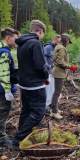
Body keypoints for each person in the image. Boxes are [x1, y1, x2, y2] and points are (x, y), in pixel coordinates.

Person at [12, 20, 49, 148]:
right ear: (39, 31)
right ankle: (19, 138)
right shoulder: (35, 43)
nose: (43, 36)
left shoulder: (21, 43)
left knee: (26, 110)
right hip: (35, 85)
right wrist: (46, 74)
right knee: (39, 112)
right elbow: (40, 66)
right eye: (43, 33)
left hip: (24, 83)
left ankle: (21, 135)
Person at [0, 28, 19, 148]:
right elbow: (4, 73)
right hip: (2, 90)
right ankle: (1, 138)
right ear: (8, 38)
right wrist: (7, 91)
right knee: (3, 112)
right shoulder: (5, 53)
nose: (16, 41)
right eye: (15, 39)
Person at [51, 34, 75, 120]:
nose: (68, 43)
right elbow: (59, 61)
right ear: (65, 40)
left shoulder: (58, 46)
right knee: (57, 93)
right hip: (59, 73)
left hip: (58, 72)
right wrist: (70, 66)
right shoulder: (61, 48)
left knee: (56, 92)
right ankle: (54, 112)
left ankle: (55, 109)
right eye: (68, 41)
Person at [44, 35, 61, 109]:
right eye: (57, 41)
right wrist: (49, 66)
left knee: (53, 89)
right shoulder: (48, 48)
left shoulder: (57, 48)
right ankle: (46, 105)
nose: (58, 43)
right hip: (48, 72)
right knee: (48, 89)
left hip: (55, 72)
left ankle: (51, 103)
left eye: (59, 42)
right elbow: (43, 58)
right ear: (53, 40)